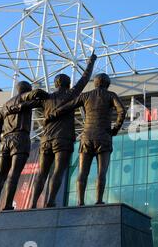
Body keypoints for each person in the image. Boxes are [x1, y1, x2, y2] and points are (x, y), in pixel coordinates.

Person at [7, 52, 98, 208]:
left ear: (56, 84)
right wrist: (91, 61)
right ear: (68, 84)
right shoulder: (71, 93)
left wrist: (14, 107)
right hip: (62, 140)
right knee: (57, 172)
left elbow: (26, 104)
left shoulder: (46, 98)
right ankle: (50, 201)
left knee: (42, 173)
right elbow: (84, 78)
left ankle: (34, 203)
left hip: (45, 140)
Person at [46, 73, 126, 206]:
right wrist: (115, 129)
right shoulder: (111, 95)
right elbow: (122, 111)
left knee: (82, 172)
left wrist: (52, 114)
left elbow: (67, 107)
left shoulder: (85, 96)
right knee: (102, 172)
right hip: (104, 137)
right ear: (107, 84)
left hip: (86, 137)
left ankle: (80, 201)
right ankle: (99, 200)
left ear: (95, 83)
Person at [0, 82, 48, 211]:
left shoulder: (6, 105)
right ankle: (8, 205)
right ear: (27, 90)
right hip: (20, 138)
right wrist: (45, 95)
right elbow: (37, 93)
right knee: (14, 174)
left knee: (0, 175)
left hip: (5, 140)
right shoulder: (24, 97)